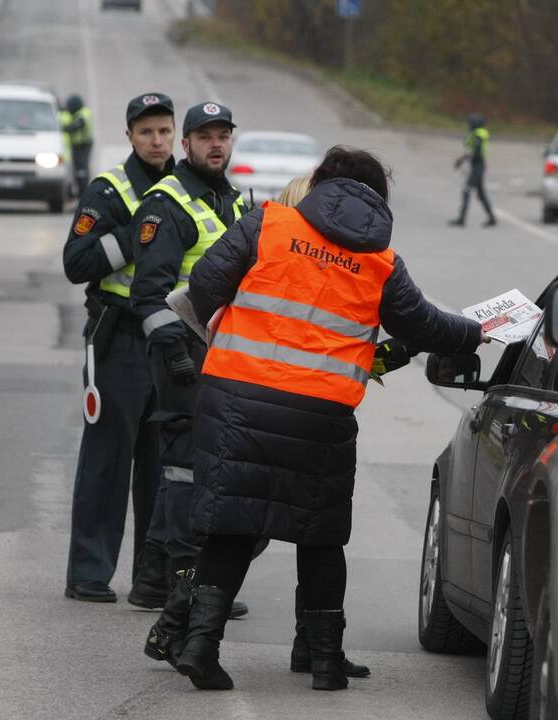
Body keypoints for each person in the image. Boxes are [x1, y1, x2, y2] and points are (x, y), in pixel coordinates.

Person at [171, 145, 485, 692]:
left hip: (234, 400)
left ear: (320, 183)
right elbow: (427, 327)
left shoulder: (267, 223)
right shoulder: (381, 263)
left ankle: (200, 646)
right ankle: (323, 662)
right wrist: (478, 330)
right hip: (318, 415)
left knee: (231, 524)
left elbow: (203, 286)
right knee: (319, 537)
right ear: (378, 201)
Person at [133, 101, 251, 663]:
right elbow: (149, 294)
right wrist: (175, 353)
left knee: (201, 469)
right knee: (185, 470)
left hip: (221, 357)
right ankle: (184, 581)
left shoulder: (231, 198)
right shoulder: (169, 202)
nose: (216, 145)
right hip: (182, 357)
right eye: (205, 136)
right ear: (186, 145)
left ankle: (171, 581)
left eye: (223, 135)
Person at [62, 92, 177, 604]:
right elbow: (76, 263)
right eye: (146, 132)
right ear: (130, 135)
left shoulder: (187, 187)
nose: (156, 141)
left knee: (167, 468)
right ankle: (89, 571)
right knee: (108, 460)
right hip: (120, 339)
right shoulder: (110, 191)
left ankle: (156, 579)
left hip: (174, 345)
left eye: (164, 131)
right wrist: (137, 235)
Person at [448, 113, 496, 228]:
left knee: (467, 190)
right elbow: (471, 151)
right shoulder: (477, 134)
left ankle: (461, 219)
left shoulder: (479, 135)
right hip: (477, 166)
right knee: (481, 194)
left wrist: (465, 159)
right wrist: (461, 160)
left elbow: (476, 153)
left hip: (478, 167)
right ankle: (492, 218)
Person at [60, 94, 94, 196]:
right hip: (73, 146)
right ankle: (73, 193)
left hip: (83, 145)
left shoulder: (85, 113)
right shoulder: (67, 113)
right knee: (73, 171)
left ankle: (83, 193)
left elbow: (77, 125)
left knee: (82, 171)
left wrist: (64, 129)